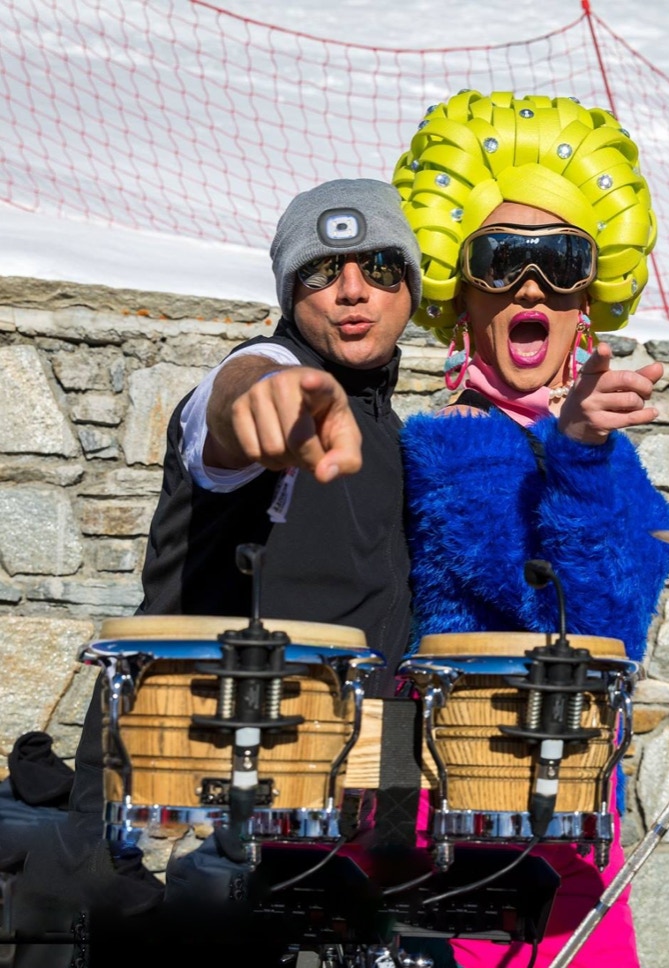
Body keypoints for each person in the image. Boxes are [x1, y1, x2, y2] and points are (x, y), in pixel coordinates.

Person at [0, 177, 437, 967]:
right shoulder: (268, 374)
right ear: (287, 292)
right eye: (320, 270)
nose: (351, 290)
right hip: (173, 793)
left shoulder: (397, 434)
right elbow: (230, 408)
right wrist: (264, 396)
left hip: (323, 799)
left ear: (410, 285)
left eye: (378, 266)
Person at [390, 90, 669, 968]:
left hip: (582, 832)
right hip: (470, 825)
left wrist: (585, 449)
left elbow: (618, 634)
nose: (530, 283)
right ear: (460, 292)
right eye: (501, 256)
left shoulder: (601, 452)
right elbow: (544, 605)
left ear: (588, 297)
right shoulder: (438, 446)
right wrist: (582, 451)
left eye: (561, 260)